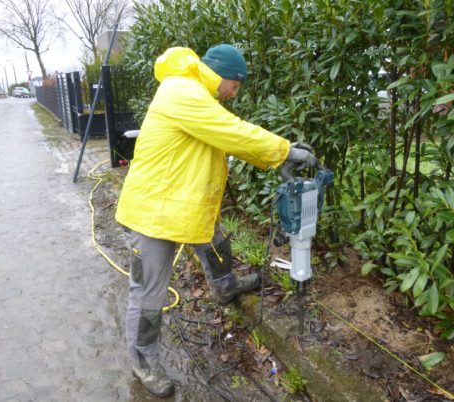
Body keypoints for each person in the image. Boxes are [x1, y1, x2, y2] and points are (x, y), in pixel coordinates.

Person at [115, 44, 317, 397]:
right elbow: (233, 133)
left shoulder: (197, 95)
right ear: (223, 75)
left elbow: (225, 136)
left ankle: (226, 288)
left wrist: (273, 158)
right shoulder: (182, 92)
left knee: (216, 242)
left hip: (182, 205)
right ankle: (144, 364)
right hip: (153, 214)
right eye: (236, 84)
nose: (236, 92)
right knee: (149, 294)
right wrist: (286, 151)